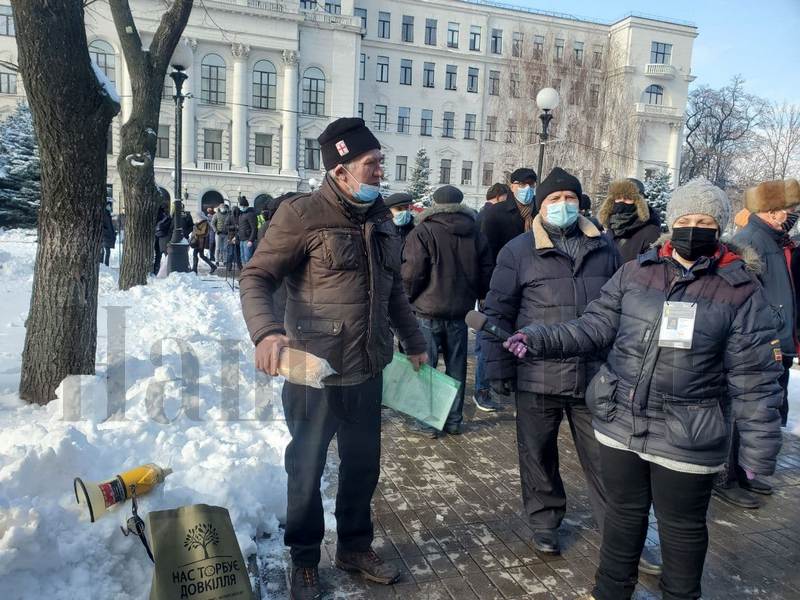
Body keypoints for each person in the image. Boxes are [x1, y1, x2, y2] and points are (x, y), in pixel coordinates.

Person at [503, 178, 783, 600]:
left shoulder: (740, 291)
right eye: (685, 219)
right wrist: (540, 336)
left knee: (682, 533)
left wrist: (759, 448)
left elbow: (754, 378)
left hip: (689, 433)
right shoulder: (636, 272)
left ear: (719, 227)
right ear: (672, 223)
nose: (693, 229)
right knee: (621, 524)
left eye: (704, 221)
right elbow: (594, 325)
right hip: (623, 425)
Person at [239, 117, 427, 600]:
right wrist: (267, 332)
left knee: (363, 465)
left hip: (366, 366)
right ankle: (304, 559)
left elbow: (394, 295)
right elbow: (256, 277)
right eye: (372, 164)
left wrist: (415, 340)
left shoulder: (383, 218)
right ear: (341, 171)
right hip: (312, 369)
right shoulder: (302, 215)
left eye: (380, 161)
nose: (380, 170)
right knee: (306, 466)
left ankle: (354, 546)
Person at [483, 167, 619, 556]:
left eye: (570, 198)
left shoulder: (604, 248)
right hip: (537, 374)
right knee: (537, 454)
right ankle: (545, 522)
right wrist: (498, 367)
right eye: (554, 200)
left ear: (581, 202)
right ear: (540, 207)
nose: (563, 205)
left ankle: (618, 532)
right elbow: (497, 312)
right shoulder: (519, 251)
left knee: (605, 459)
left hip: (595, 374)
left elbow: (623, 309)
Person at [713, 178, 800, 507]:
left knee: (760, 411)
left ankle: (744, 472)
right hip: (757, 342)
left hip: (776, 339)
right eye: (789, 209)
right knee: (739, 410)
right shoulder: (751, 241)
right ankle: (725, 476)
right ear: (772, 211)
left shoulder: (778, 241)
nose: (792, 214)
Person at [401, 184, 493, 436]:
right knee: (457, 367)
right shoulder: (475, 232)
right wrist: (478, 295)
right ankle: (454, 420)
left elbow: (412, 272)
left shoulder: (423, 231)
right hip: (461, 312)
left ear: (435, 203)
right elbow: (486, 270)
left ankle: (427, 421)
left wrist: (408, 299)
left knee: (425, 368)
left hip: (427, 311)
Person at [472, 181, 514, 413]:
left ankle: (486, 387)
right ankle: (483, 389)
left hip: (487, 291)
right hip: (492, 290)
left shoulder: (481, 216)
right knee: (487, 340)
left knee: (488, 338)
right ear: (500, 197)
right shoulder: (490, 218)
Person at [479, 168, 537, 264]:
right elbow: (487, 248)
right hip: (505, 268)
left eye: (531, 184)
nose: (527, 188)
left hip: (534, 269)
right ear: (512, 187)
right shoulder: (496, 212)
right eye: (522, 184)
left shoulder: (541, 210)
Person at [598, 178, 662, 263]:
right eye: (618, 198)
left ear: (639, 203)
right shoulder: (610, 229)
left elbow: (649, 270)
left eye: (628, 198)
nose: (622, 202)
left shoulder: (651, 232)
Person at [238, 196, 258, 264]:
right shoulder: (241, 215)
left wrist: (251, 240)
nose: (241, 207)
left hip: (247, 239)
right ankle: (244, 272)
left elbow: (254, 228)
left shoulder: (250, 214)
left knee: (248, 258)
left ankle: (248, 273)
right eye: (241, 206)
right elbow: (240, 227)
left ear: (246, 206)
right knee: (242, 258)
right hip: (242, 239)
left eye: (243, 206)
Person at [153, 204, 171, 275]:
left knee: (158, 255)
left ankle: (155, 271)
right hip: (163, 238)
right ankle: (166, 271)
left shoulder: (156, 216)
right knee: (166, 255)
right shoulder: (165, 216)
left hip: (156, 237)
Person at [224, 205, 242, 272]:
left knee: (238, 252)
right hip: (231, 236)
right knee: (230, 252)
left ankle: (239, 265)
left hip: (238, 236)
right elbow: (226, 227)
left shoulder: (240, 216)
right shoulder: (229, 217)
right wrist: (234, 227)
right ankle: (229, 266)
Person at [100, 201, 116, 266]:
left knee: (107, 251)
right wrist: (106, 232)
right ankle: (102, 264)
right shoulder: (104, 214)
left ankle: (106, 265)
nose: (110, 207)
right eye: (109, 205)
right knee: (103, 251)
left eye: (110, 206)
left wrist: (113, 233)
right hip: (105, 236)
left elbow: (110, 226)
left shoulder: (108, 214)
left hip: (108, 236)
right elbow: (102, 225)